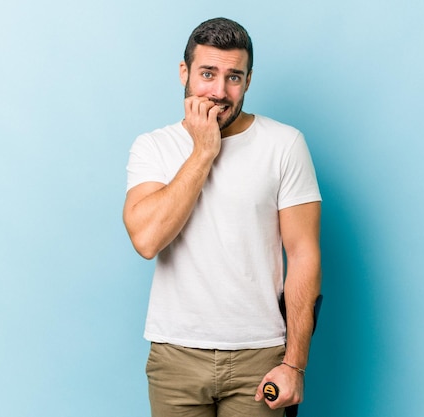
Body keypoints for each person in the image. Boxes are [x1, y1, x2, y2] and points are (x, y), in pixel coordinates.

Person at [123, 17, 322, 417]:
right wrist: (202, 152)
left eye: (234, 77)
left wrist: (294, 364)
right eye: (207, 74)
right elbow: (146, 240)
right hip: (175, 356)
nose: (219, 91)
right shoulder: (153, 147)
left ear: (248, 81)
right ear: (185, 73)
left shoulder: (284, 145)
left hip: (260, 356)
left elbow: (303, 256)